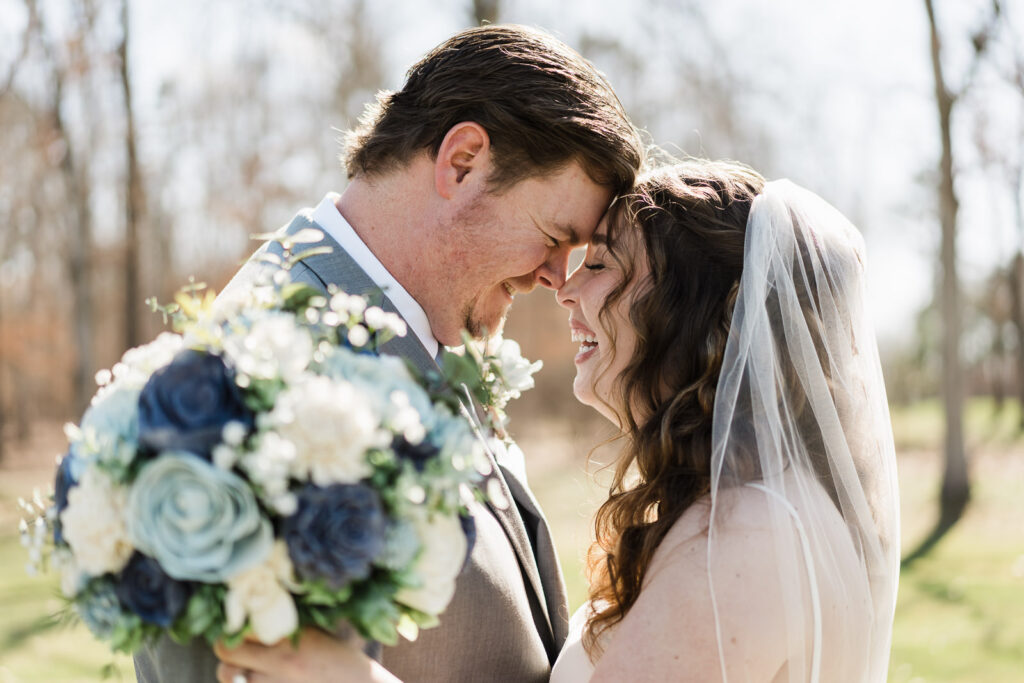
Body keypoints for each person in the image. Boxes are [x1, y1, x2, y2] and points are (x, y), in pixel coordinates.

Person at [134, 24, 643, 683]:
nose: (556, 277)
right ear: (461, 163)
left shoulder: (421, 324)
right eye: (553, 236)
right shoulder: (247, 372)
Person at [548, 160, 900, 681]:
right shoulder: (751, 506)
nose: (566, 289)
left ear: (693, 311)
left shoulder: (747, 534)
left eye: (600, 264)